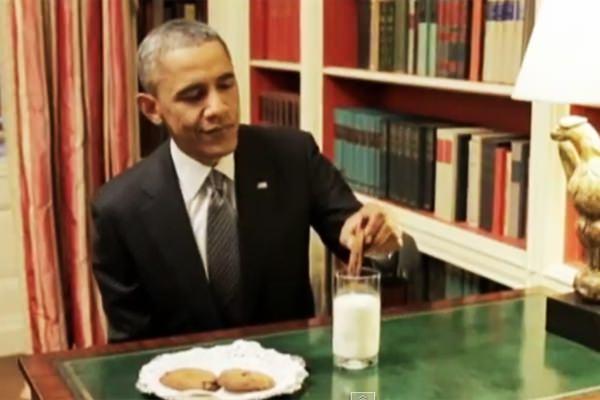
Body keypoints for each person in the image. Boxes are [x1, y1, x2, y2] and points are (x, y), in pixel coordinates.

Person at [92, 19, 402, 343]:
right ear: (151, 109)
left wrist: (377, 236)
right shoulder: (119, 209)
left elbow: (358, 234)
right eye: (194, 96)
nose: (219, 107)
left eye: (226, 85)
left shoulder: (293, 156)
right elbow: (131, 348)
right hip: (184, 375)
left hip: (290, 366)